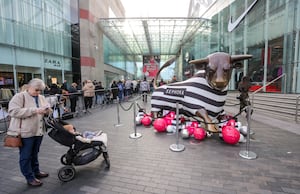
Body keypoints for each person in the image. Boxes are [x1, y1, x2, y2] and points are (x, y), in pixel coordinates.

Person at [7, 78, 51, 187]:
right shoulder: (19, 96)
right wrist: (35, 110)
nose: (38, 93)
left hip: (38, 131)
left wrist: (47, 111)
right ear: (29, 87)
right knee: (26, 156)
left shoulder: (41, 97)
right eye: (36, 90)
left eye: (40, 90)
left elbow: (47, 111)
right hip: (25, 132)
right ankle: (29, 177)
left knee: (34, 154)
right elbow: (12, 111)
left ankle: (36, 171)